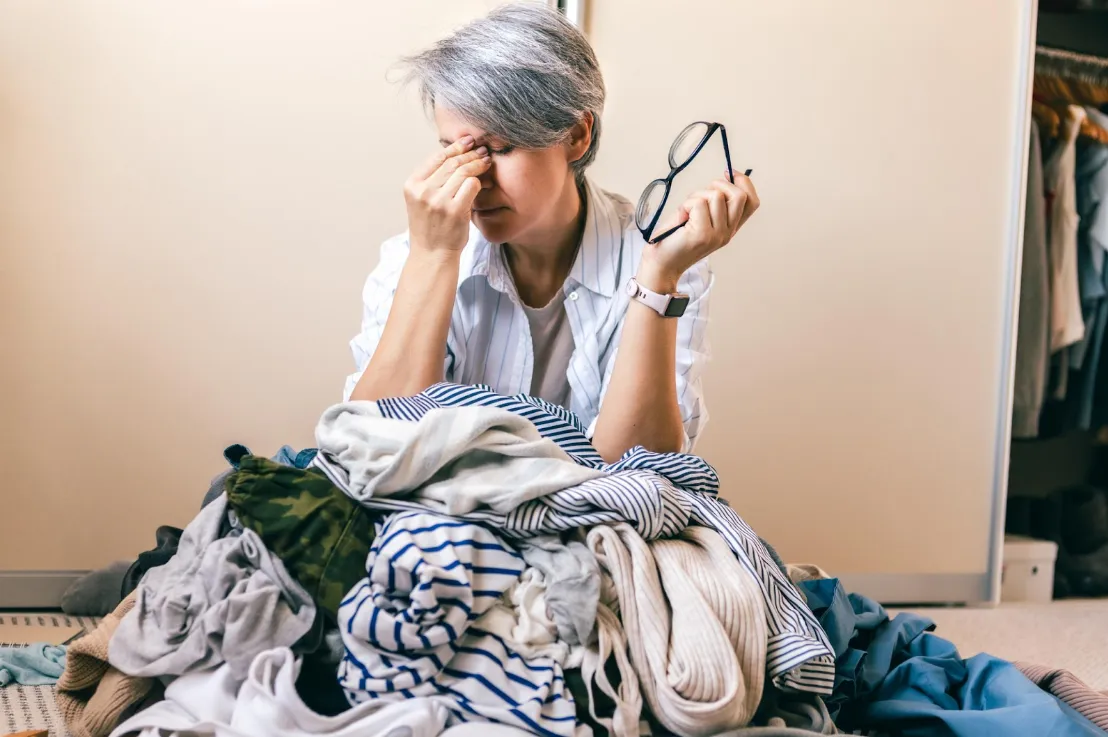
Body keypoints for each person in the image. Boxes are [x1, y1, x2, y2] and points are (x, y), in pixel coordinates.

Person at [345, 3, 759, 462]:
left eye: (499, 149)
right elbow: (367, 449)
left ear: (577, 136)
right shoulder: (415, 254)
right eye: (453, 149)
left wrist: (658, 280)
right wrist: (432, 256)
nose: (474, 179)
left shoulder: (665, 264)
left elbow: (640, 474)